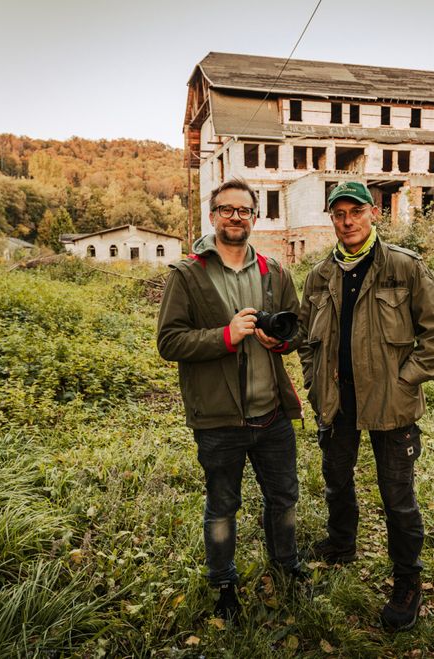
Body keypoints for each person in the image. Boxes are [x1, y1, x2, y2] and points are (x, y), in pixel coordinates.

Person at [298, 181, 434, 632]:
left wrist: (404, 380)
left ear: (373, 214)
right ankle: (341, 543)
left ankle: (407, 582)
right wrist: (313, 381)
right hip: (337, 400)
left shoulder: (403, 268)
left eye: (355, 211)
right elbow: (308, 339)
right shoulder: (319, 275)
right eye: (338, 213)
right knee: (336, 480)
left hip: (392, 403)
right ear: (331, 218)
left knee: (398, 498)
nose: (346, 221)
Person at [157, 178, 305, 621]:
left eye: (244, 210)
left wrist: (277, 341)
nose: (235, 217)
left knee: (284, 498)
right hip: (219, 419)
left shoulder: (274, 272)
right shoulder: (188, 274)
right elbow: (169, 341)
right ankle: (223, 583)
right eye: (227, 209)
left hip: (272, 414)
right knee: (222, 505)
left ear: (255, 217)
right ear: (213, 215)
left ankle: (287, 567)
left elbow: (294, 330)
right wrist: (226, 336)